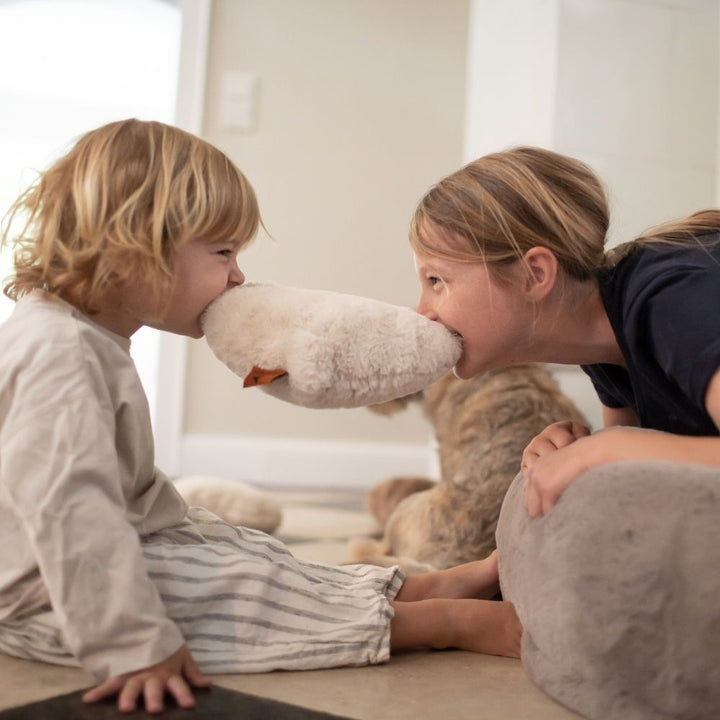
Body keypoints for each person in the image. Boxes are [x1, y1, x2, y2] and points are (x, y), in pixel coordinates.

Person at [0, 119, 521, 715]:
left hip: (108, 552)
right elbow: (73, 516)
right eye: (223, 253)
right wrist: (133, 646)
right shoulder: (56, 352)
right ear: (135, 247)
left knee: (246, 552)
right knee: (238, 592)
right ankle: (442, 624)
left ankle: (417, 589)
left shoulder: (83, 336)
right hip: (45, 596)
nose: (238, 277)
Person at [411, 145, 720, 519]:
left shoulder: (673, 301)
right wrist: (583, 453)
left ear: (535, 274)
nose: (422, 312)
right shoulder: (604, 346)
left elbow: (627, 458)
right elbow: (633, 496)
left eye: (437, 280)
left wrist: (605, 451)